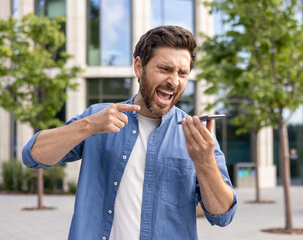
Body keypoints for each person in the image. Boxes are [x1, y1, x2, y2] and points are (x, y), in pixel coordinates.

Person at [22, 25, 237, 240]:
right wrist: (88, 126)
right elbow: (32, 156)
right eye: (165, 69)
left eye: (182, 73)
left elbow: (223, 215)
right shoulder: (98, 117)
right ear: (138, 67)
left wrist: (205, 162)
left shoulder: (196, 136)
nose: (174, 81)